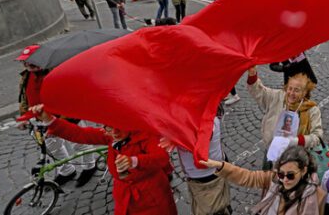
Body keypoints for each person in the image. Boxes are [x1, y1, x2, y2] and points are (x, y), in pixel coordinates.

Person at [29, 104, 177, 215]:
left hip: (151, 197)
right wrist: (50, 120)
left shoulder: (146, 135)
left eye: (118, 127)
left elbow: (161, 158)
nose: (114, 133)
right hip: (124, 195)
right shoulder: (111, 135)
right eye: (108, 128)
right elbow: (80, 134)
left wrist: (135, 161)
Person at [16, 46, 97, 187]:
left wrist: (62, 122)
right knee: (53, 148)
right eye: (25, 61)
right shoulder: (25, 76)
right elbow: (24, 98)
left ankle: (89, 166)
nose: (28, 64)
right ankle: (67, 171)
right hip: (40, 120)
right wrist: (24, 116)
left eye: (31, 61)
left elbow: (72, 98)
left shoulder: (58, 72)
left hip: (65, 118)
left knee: (80, 144)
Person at [199, 145, 325, 215]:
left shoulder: (317, 196)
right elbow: (247, 177)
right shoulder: (274, 179)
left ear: (303, 170)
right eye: (281, 174)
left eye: (290, 175)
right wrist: (220, 166)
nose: (285, 180)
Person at [246, 67, 323, 170]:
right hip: (273, 151)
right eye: (290, 88)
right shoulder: (277, 97)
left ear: (304, 93)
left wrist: (295, 141)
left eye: (296, 90)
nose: (291, 93)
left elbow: (317, 137)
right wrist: (252, 74)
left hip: (296, 158)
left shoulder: (312, 110)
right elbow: (259, 92)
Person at [159, 118, 232, 215]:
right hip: (216, 167)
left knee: (210, 207)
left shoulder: (181, 126)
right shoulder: (211, 117)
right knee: (220, 201)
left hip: (202, 177)